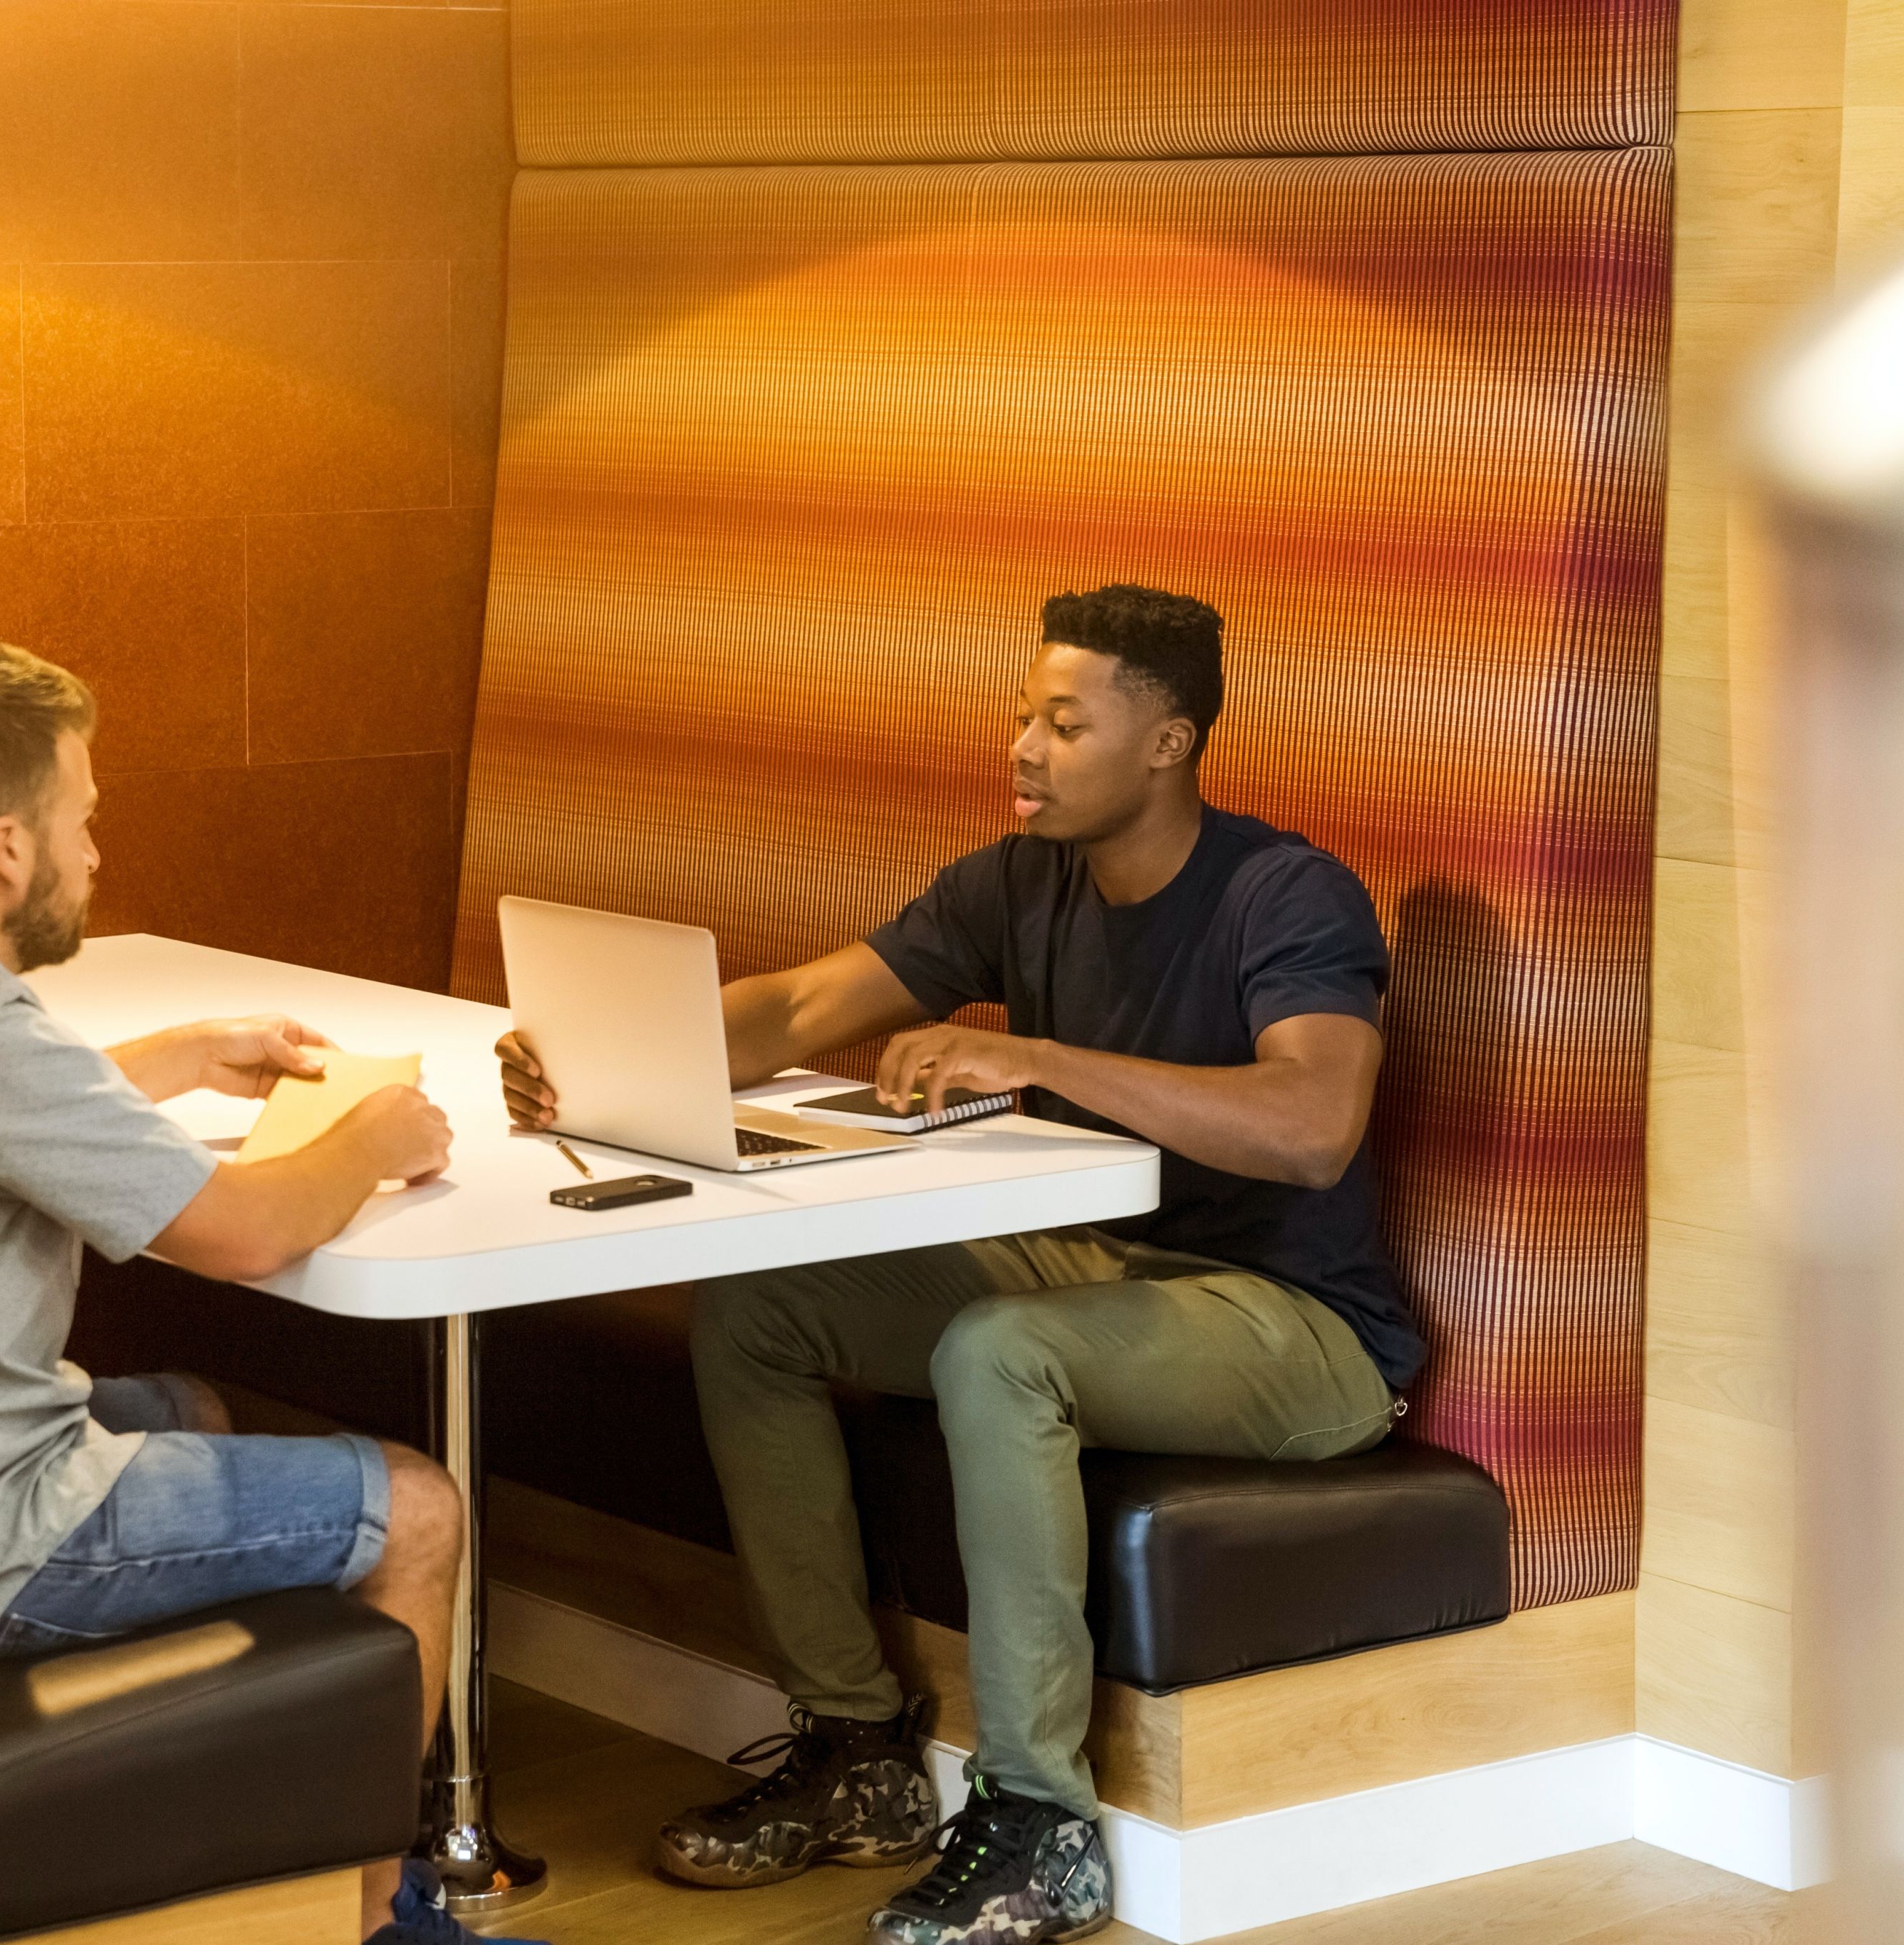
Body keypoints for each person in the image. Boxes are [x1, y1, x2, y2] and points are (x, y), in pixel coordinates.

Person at [496, 585, 1425, 1945]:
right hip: (1101, 1261)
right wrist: (606, 1050)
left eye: (1065, 722)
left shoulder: (1283, 894)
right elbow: (809, 1003)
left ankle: (1043, 1825)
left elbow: (1310, 1126)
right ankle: (862, 1750)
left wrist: (1040, 1060)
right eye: (1023, 714)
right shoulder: (1020, 878)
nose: (1025, 748)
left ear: (1167, 742)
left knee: (998, 1352)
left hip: (1296, 1327)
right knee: (764, 1312)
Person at [0, 637, 523, 1945]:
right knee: (420, 1510)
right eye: (80, 821)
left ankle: (245, 1844)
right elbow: (251, 1233)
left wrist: (181, 1056)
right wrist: (375, 1135)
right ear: (5, 847)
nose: (93, 853)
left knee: (192, 1404)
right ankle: (384, 1918)